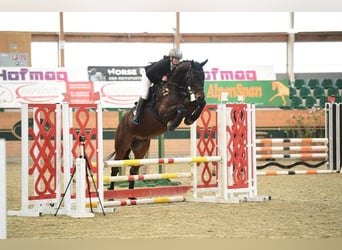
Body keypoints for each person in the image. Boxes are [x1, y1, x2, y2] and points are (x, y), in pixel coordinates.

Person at [131, 48, 183, 125]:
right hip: (148, 76)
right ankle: (136, 116)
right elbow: (150, 73)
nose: (177, 60)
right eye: (176, 58)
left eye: (178, 59)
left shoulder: (176, 65)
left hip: (157, 77)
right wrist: (161, 78)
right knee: (145, 94)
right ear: (171, 58)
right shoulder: (164, 63)